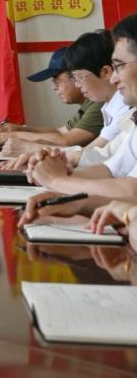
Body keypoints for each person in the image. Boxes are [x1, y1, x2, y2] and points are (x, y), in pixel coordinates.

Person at [20, 14, 137, 224]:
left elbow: (130, 189)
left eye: (119, 66)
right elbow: (111, 167)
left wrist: (57, 180)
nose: (114, 78)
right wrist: (72, 193)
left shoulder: (121, 104)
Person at [0, 47, 102, 150]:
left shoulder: (99, 104)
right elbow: (60, 132)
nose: (54, 88)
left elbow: (66, 140)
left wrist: (13, 136)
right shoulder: (88, 104)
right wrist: (17, 129)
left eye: (57, 81)